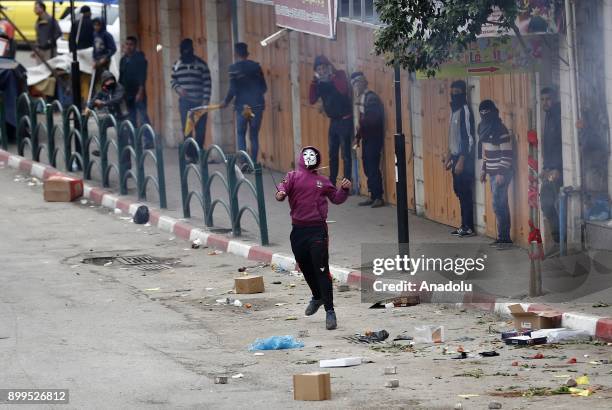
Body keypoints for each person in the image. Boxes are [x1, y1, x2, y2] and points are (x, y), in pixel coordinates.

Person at [275, 146, 352, 330]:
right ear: (301, 158)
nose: (309, 158)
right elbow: (282, 188)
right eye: (306, 155)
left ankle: (330, 311)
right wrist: (280, 194)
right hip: (298, 230)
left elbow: (336, 198)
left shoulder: (323, 181)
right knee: (305, 266)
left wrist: (344, 190)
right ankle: (317, 297)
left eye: (313, 155)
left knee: (321, 269)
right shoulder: (292, 176)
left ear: (318, 159)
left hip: (317, 230)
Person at [309, 55, 353, 185]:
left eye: (323, 68)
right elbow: (312, 100)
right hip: (333, 121)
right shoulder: (320, 82)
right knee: (332, 154)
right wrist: (314, 82)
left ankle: (346, 184)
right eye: (319, 70)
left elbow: (343, 89)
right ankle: (332, 182)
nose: (321, 72)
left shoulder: (339, 74)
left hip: (345, 119)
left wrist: (332, 77)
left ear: (328, 67)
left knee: (346, 155)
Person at [222, 42, 267, 164]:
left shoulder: (233, 69)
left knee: (241, 133)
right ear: (247, 54)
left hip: (242, 107)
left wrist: (226, 102)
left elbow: (233, 89)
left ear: (235, 54)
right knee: (254, 135)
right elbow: (264, 88)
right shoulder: (256, 67)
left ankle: (244, 162)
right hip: (257, 106)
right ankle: (253, 163)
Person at [478, 100, 514, 250]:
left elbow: (507, 154)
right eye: (482, 112)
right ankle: (502, 238)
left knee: (498, 205)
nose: (484, 115)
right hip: (491, 173)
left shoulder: (501, 129)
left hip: (501, 174)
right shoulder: (482, 127)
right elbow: (486, 152)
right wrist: (483, 170)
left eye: (487, 112)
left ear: (493, 111)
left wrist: (500, 173)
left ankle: (505, 239)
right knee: (500, 205)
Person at [443, 80, 475, 237]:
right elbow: (452, 137)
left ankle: (468, 226)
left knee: (465, 192)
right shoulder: (453, 111)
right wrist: (448, 157)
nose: (454, 96)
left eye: (457, 93)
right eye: (452, 93)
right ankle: (463, 225)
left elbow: (468, 138)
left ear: (463, 94)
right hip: (455, 157)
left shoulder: (465, 110)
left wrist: (462, 160)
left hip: (464, 160)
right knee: (459, 191)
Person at [171, 38, 211, 162]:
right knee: (187, 129)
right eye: (184, 51)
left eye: (189, 50)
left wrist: (205, 101)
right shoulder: (177, 64)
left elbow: (207, 83)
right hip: (185, 103)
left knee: (200, 130)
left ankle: (198, 153)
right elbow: (173, 81)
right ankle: (190, 155)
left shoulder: (201, 64)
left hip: (200, 102)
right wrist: (178, 89)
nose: (187, 53)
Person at [351, 71, 385, 208]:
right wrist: (357, 138)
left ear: (363, 83)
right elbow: (362, 122)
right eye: (354, 84)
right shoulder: (362, 99)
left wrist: (361, 129)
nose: (355, 87)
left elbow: (373, 120)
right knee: (367, 167)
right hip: (367, 138)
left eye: (357, 83)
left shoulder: (371, 99)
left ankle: (379, 197)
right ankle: (372, 195)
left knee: (373, 168)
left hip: (374, 138)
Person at [87, 71, 130, 168]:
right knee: (102, 124)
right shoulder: (105, 89)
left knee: (123, 142)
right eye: (107, 81)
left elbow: (117, 100)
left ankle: (126, 168)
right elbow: (95, 98)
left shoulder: (119, 88)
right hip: (113, 116)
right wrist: (90, 107)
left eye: (111, 80)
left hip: (123, 117)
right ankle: (102, 149)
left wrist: (103, 103)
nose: (110, 82)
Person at [540, 87, 563, 251]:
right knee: (546, 204)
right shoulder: (548, 116)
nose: (544, 102)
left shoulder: (559, 115)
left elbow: (561, 145)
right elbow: (548, 146)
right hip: (549, 169)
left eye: (548, 99)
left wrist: (557, 168)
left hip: (558, 170)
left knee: (554, 205)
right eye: (542, 99)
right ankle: (558, 241)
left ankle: (562, 243)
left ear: (555, 99)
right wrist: (545, 168)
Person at [119, 36, 152, 145]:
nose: (128, 47)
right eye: (127, 44)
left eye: (131, 44)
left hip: (138, 92)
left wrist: (140, 91)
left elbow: (142, 76)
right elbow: (121, 77)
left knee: (143, 116)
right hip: (127, 93)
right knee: (131, 117)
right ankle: (134, 141)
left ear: (135, 46)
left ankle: (149, 140)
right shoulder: (123, 60)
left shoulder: (140, 59)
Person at [92, 17, 116, 88]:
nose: (96, 27)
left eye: (98, 25)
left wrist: (105, 58)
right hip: (97, 59)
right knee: (96, 79)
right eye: (94, 25)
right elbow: (94, 48)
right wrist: (94, 58)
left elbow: (113, 49)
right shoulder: (95, 34)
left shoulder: (107, 35)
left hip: (104, 60)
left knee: (104, 78)